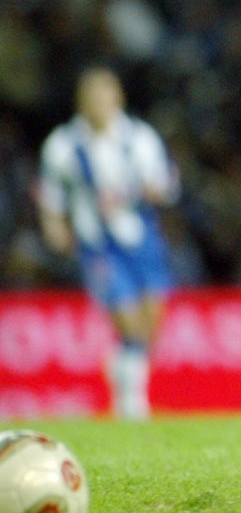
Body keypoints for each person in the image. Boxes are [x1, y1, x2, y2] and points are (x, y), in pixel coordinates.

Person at [38, 67, 179, 419]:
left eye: (105, 94)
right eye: (92, 96)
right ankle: (133, 403)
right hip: (97, 243)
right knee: (127, 318)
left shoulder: (139, 138)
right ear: (81, 102)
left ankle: (122, 368)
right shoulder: (63, 144)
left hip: (141, 237)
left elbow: (165, 184)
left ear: (118, 98)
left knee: (152, 318)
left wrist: (155, 190)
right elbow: (51, 193)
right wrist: (54, 226)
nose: (99, 102)